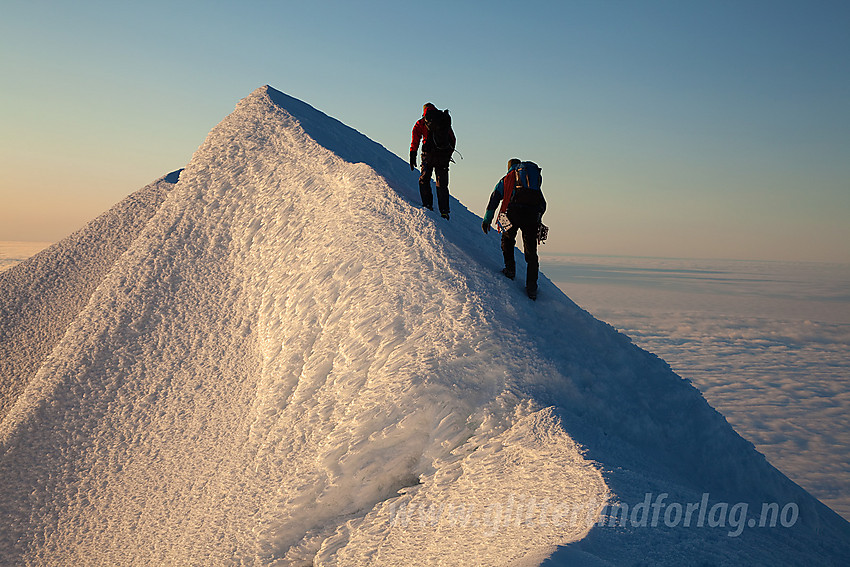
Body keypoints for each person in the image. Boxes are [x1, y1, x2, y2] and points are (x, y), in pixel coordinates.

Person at [482, 159, 547, 300]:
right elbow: (542, 203)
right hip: (531, 216)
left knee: (507, 238)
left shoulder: (507, 179)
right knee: (531, 251)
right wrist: (538, 218)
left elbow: (495, 197)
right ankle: (532, 287)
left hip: (511, 213)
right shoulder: (531, 182)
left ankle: (510, 270)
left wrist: (487, 219)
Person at [410, 103, 456, 219]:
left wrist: (412, 154)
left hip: (428, 156)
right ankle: (444, 211)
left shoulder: (422, 122)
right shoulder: (443, 120)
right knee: (442, 184)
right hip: (443, 157)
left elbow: (415, 138)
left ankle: (428, 205)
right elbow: (453, 139)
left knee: (424, 180)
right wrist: (448, 154)